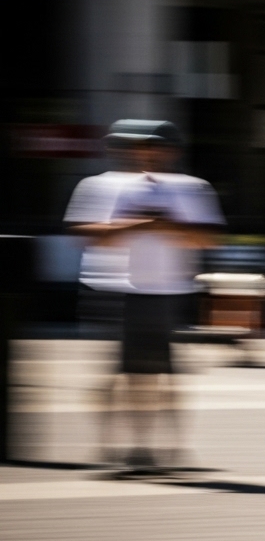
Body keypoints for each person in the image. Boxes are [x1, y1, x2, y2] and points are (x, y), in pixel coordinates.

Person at [63, 120, 224, 473]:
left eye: (156, 146)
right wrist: (135, 225)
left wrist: (168, 226)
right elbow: (87, 235)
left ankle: (166, 448)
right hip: (111, 289)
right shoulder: (99, 185)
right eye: (139, 146)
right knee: (117, 375)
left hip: (167, 292)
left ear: (172, 150)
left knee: (163, 375)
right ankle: (112, 446)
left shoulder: (192, 188)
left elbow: (208, 239)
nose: (147, 152)